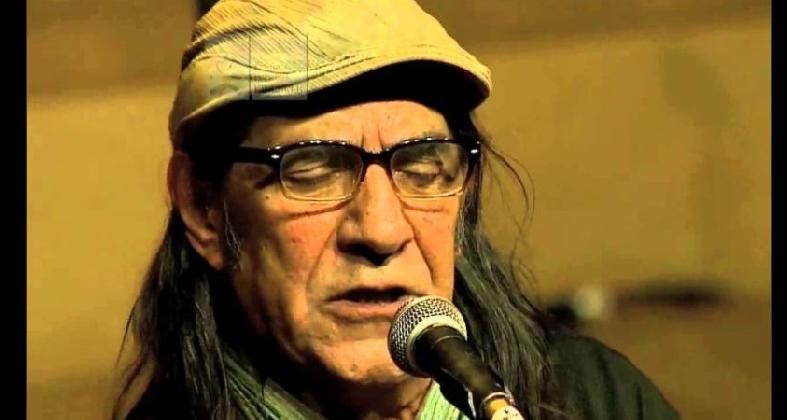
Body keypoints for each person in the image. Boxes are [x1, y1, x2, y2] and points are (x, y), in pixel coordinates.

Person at [114, 1, 680, 419]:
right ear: (205, 209)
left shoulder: (593, 399)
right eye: (312, 168)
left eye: (423, 166)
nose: (382, 230)